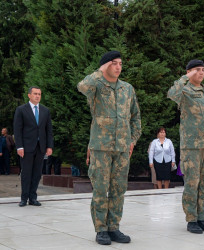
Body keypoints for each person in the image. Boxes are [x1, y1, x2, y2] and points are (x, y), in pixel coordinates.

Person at [77, 51, 141, 245]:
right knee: (100, 189)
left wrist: (132, 140)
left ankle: (114, 227)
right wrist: (99, 70)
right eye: (114, 63)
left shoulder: (127, 89)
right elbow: (81, 86)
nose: (119, 67)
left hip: (122, 147)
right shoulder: (96, 85)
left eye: (120, 63)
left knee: (118, 189)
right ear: (105, 66)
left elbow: (135, 116)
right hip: (101, 147)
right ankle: (101, 229)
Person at [168, 59, 204, 234]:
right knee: (192, 183)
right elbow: (171, 93)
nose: (201, 73)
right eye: (197, 70)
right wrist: (185, 77)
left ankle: (202, 217)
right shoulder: (184, 91)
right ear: (190, 72)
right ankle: (191, 219)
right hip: (191, 146)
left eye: (203, 70)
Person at [14, 86, 54, 207]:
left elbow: (49, 130)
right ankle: (24, 198)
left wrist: (49, 146)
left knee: (37, 173)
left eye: (39, 94)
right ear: (29, 95)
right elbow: (17, 129)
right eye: (35, 94)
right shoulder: (21, 110)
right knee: (26, 173)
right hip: (26, 148)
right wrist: (19, 147)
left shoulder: (45, 111)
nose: (37, 96)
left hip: (40, 147)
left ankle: (33, 197)